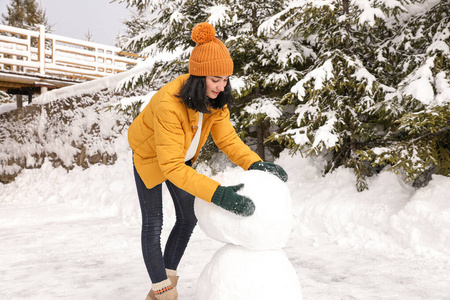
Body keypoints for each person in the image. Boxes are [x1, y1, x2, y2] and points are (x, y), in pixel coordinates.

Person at [128, 22, 288, 300]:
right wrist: (218, 195)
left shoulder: (215, 101)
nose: (221, 85)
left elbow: (228, 139)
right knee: (153, 224)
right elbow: (171, 168)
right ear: (198, 77)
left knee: (188, 216)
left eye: (225, 79)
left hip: (180, 158)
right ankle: (162, 292)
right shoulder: (169, 105)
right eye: (215, 79)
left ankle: (167, 276)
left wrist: (254, 164)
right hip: (150, 156)